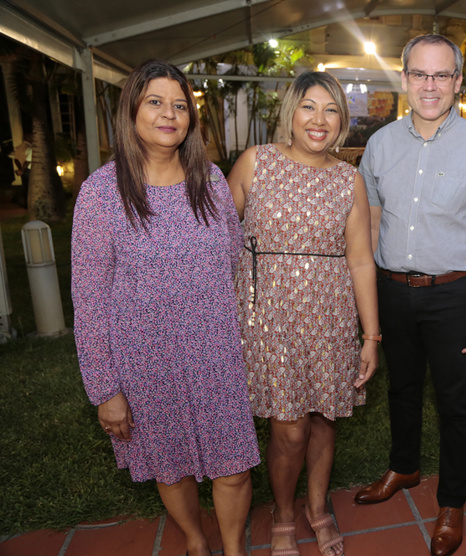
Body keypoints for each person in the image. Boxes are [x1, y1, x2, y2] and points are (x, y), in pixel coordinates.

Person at [71, 59, 260, 556]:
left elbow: (234, 261)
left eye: (180, 105)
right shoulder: (101, 194)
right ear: (131, 110)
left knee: (234, 468)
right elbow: (88, 302)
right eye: (155, 102)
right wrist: (104, 389)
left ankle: (234, 550)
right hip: (145, 362)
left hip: (215, 354)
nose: (169, 113)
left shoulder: (212, 182)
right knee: (170, 466)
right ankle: (197, 543)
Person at [353, 34, 466, 556]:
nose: (430, 85)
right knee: (400, 388)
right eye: (419, 74)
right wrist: (370, 301)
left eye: (442, 75)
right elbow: (371, 226)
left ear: (458, 83)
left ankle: (452, 500)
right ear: (403, 79)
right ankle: (404, 466)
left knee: (453, 400)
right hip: (394, 289)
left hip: (454, 293)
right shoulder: (379, 145)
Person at [227, 71, 379, 556]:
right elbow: (218, 242)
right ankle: (285, 513)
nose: (319, 120)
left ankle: (317, 508)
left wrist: (371, 336)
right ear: (290, 112)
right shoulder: (256, 163)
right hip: (267, 318)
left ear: (342, 122)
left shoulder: (349, 180)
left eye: (331, 110)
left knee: (323, 420)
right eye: (309, 107)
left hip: (329, 316)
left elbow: (359, 259)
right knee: (289, 428)